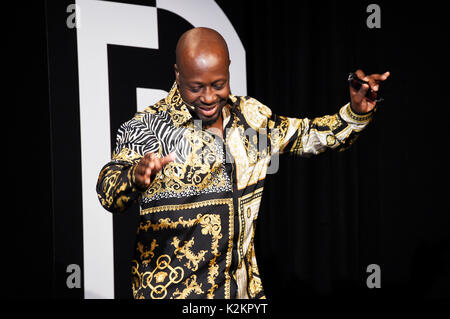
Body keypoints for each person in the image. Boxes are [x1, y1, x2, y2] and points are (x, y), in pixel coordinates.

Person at [96, 27, 390, 299]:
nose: (209, 97)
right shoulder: (149, 125)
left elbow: (307, 137)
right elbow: (108, 189)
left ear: (227, 72)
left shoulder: (251, 116)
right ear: (177, 75)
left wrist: (354, 112)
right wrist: (133, 177)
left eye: (218, 84)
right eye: (196, 87)